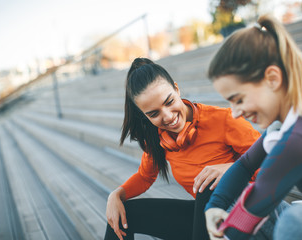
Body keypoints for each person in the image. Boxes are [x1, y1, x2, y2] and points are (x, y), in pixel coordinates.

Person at [204, 13, 302, 240]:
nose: (235, 112)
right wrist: (213, 206)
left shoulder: (301, 137)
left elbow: (247, 216)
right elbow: (244, 165)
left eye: (238, 99)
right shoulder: (295, 118)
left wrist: (222, 234)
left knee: (293, 221)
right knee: (235, 197)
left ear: (272, 78)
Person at [104, 57, 265, 240]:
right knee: (124, 215)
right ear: (144, 115)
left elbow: (272, 163)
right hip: (204, 219)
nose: (168, 117)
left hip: (245, 214)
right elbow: (145, 176)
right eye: (154, 114)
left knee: (208, 183)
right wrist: (116, 195)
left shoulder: (224, 119)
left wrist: (231, 169)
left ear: (177, 89)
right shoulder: (158, 136)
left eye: (169, 102)